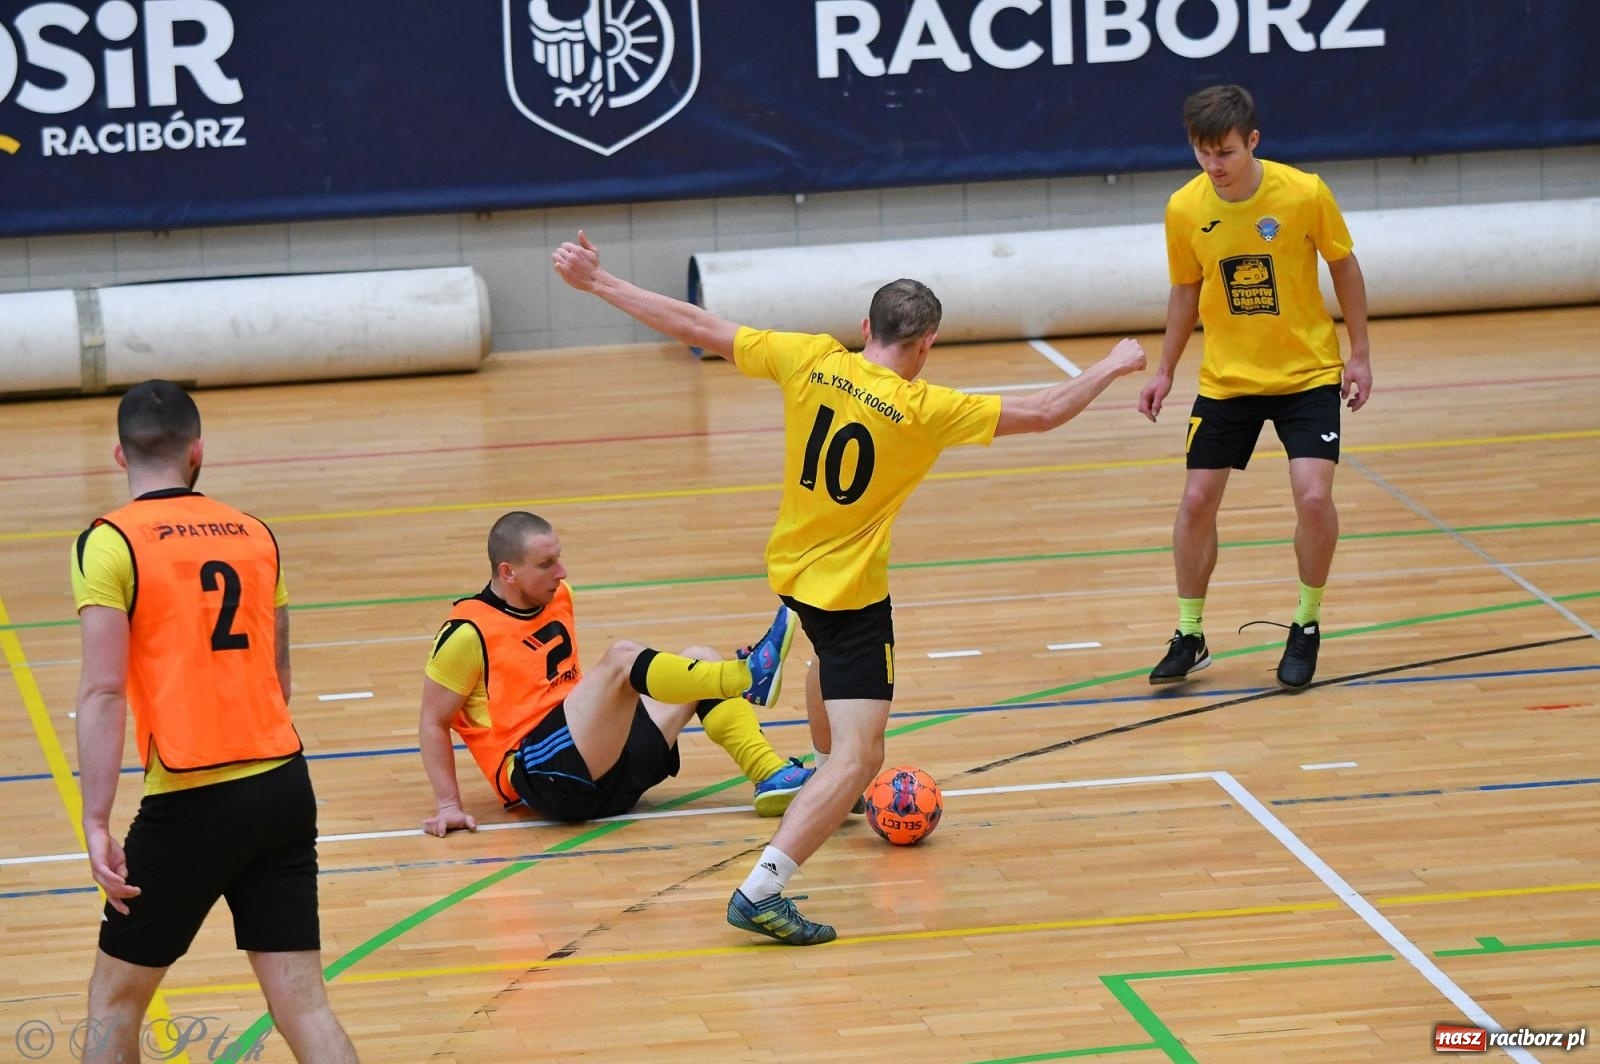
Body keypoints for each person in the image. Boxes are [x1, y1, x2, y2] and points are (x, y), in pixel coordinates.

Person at [553, 232, 1146, 944]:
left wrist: (599, 283)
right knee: (862, 755)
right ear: (926, 344)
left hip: (793, 575)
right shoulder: (927, 409)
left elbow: (699, 326)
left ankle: (811, 757)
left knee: (826, 674)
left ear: (865, 328)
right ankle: (764, 887)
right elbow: (1047, 409)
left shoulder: (811, 358)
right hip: (851, 598)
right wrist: (1113, 363)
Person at [70, 380, 360, 1064]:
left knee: (114, 1002)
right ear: (197, 452)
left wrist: (95, 819)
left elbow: (105, 692)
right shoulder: (256, 534)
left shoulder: (108, 543)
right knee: (305, 1005)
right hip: (283, 784)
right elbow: (278, 675)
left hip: (190, 798)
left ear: (120, 454)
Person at [1138, 84, 1372, 690]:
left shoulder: (1303, 192)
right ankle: (1190, 633)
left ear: (1253, 142)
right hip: (1228, 380)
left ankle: (1307, 623)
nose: (1214, 166)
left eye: (1226, 153)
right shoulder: (1185, 208)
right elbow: (1185, 289)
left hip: (1307, 374)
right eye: (1202, 153)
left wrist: (1360, 355)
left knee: (1313, 498)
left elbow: (1343, 265)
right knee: (1195, 501)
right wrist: (1165, 369)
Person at [419, 510, 812, 834]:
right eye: (546, 564)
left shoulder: (559, 597)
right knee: (623, 658)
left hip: (601, 770)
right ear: (508, 572)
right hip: (540, 776)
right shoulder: (466, 632)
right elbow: (433, 719)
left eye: (559, 557)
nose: (562, 572)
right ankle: (746, 676)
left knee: (700, 658)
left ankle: (769, 775)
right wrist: (448, 804)